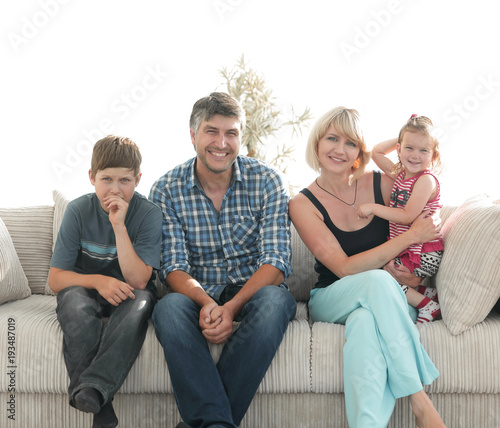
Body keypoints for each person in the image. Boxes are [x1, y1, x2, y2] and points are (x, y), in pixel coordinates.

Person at [289, 107, 446, 428]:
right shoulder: (302, 204)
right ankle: (419, 400)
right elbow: (345, 269)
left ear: (359, 150)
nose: (339, 149)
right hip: (333, 296)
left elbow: (426, 216)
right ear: (317, 143)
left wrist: (415, 271)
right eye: (332, 138)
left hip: (387, 295)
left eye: (350, 143)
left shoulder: (382, 184)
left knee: (364, 323)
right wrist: (409, 238)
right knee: (375, 282)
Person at [149, 92, 296, 428]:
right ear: (193, 136)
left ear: (240, 138)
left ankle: (207, 422)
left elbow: (275, 262)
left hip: (254, 291)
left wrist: (230, 309)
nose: (222, 142)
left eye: (231, 133)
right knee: (167, 309)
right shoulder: (166, 190)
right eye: (211, 131)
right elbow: (173, 267)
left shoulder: (268, 181)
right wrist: (207, 304)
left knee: (276, 301)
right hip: (197, 294)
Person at [48, 135, 162, 428]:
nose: (115, 189)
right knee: (74, 304)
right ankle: (101, 404)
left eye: (124, 180)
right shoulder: (77, 210)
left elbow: (138, 280)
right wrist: (98, 281)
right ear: (91, 177)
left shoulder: (149, 214)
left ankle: (95, 390)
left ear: (137, 179)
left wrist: (119, 226)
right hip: (86, 289)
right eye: (106, 179)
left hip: (131, 291)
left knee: (140, 303)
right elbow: (56, 280)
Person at [357, 115, 444, 323]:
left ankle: (427, 306)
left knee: (384, 278)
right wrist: (404, 134)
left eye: (424, 150)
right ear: (398, 149)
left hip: (423, 250)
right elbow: (375, 152)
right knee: (382, 273)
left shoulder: (425, 180)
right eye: (409, 148)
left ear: (433, 156)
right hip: (409, 246)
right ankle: (425, 293)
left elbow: (407, 217)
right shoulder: (401, 174)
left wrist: (373, 208)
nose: (415, 155)